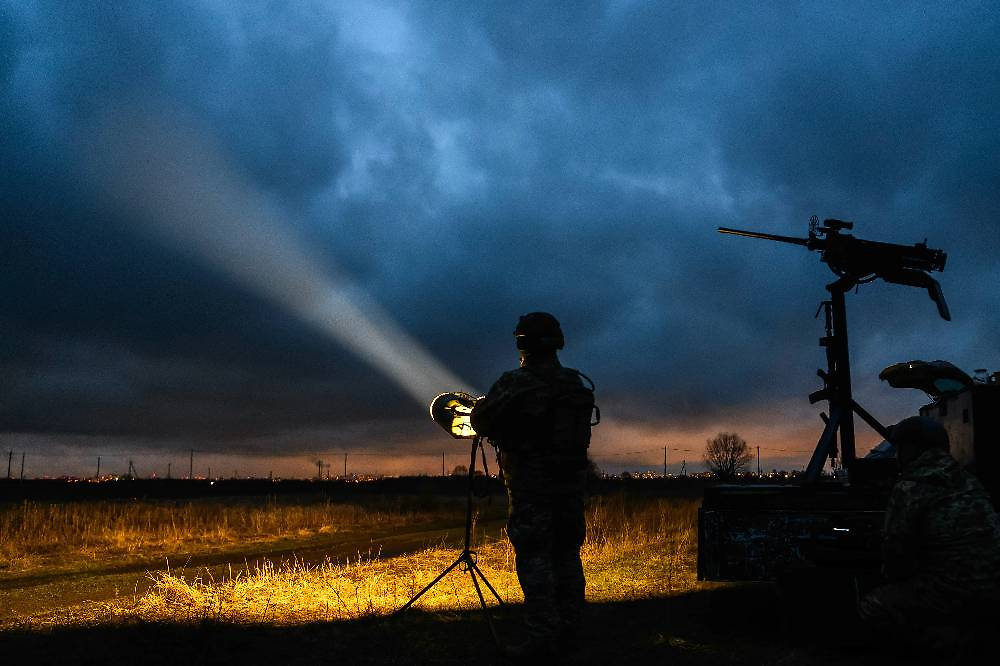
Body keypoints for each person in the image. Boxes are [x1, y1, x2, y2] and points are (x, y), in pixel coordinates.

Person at [470, 312, 596, 658]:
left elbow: (480, 420)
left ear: (521, 344)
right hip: (570, 488)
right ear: (558, 342)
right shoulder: (575, 384)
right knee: (568, 556)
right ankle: (572, 631)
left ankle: (542, 638)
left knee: (535, 560)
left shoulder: (516, 383)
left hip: (531, 491)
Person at [859, 416, 1000, 654]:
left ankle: (940, 642)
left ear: (913, 449)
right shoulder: (967, 480)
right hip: (992, 588)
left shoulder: (910, 486)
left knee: (872, 606)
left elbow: (896, 561)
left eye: (900, 448)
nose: (897, 456)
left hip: (951, 594)